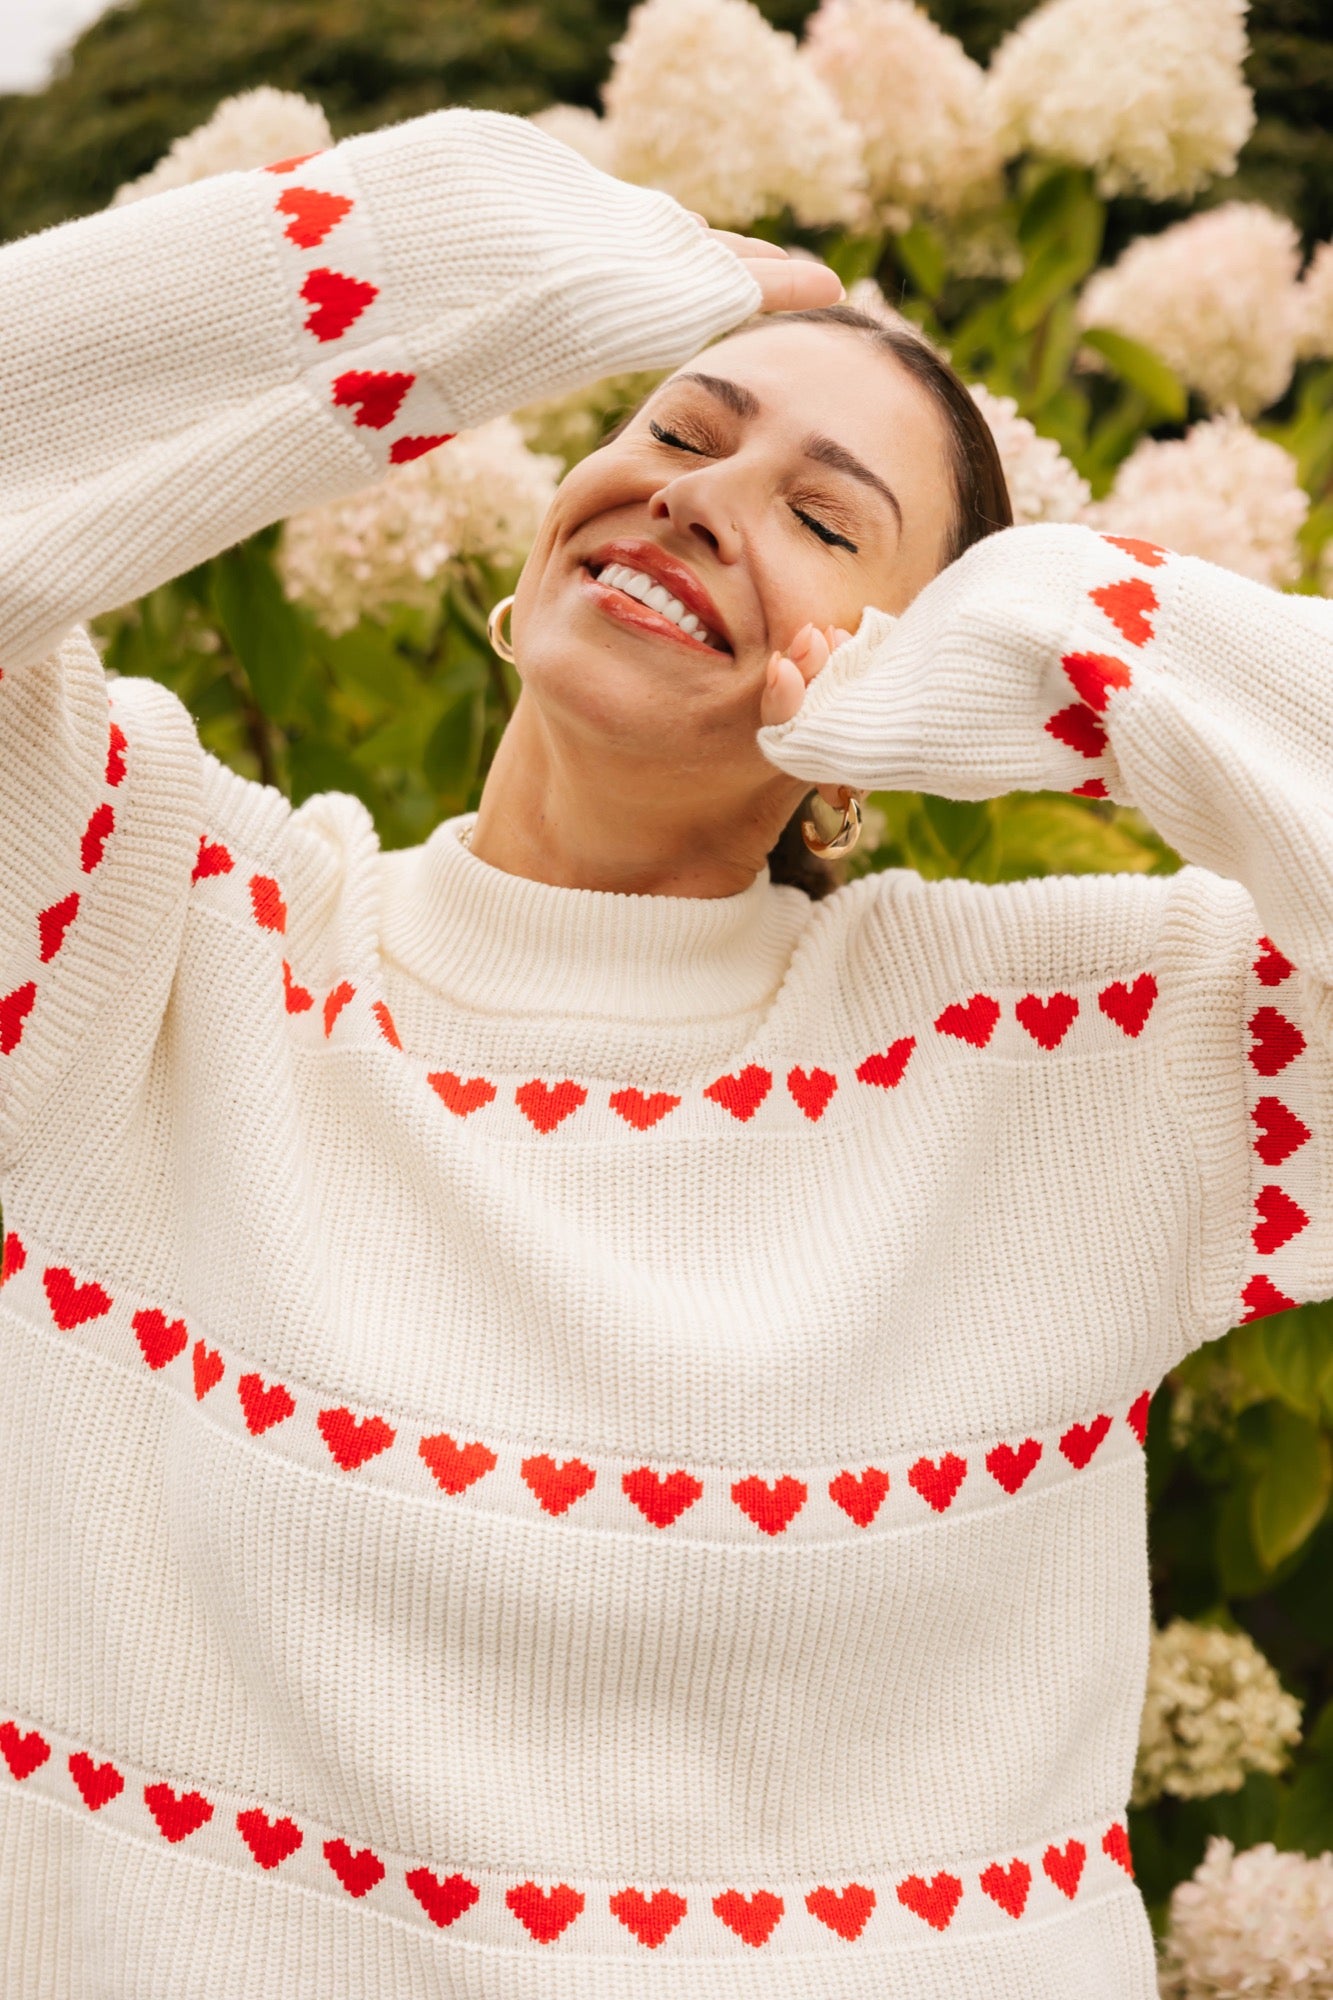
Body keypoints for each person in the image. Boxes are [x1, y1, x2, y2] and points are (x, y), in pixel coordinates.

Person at [0, 104, 1327, 2000]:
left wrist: (1071, 637)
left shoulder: (1074, 1061)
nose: (702, 498)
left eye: (822, 516)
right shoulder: (152, 927)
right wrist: (481, 251)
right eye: (675, 430)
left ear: (910, 655)